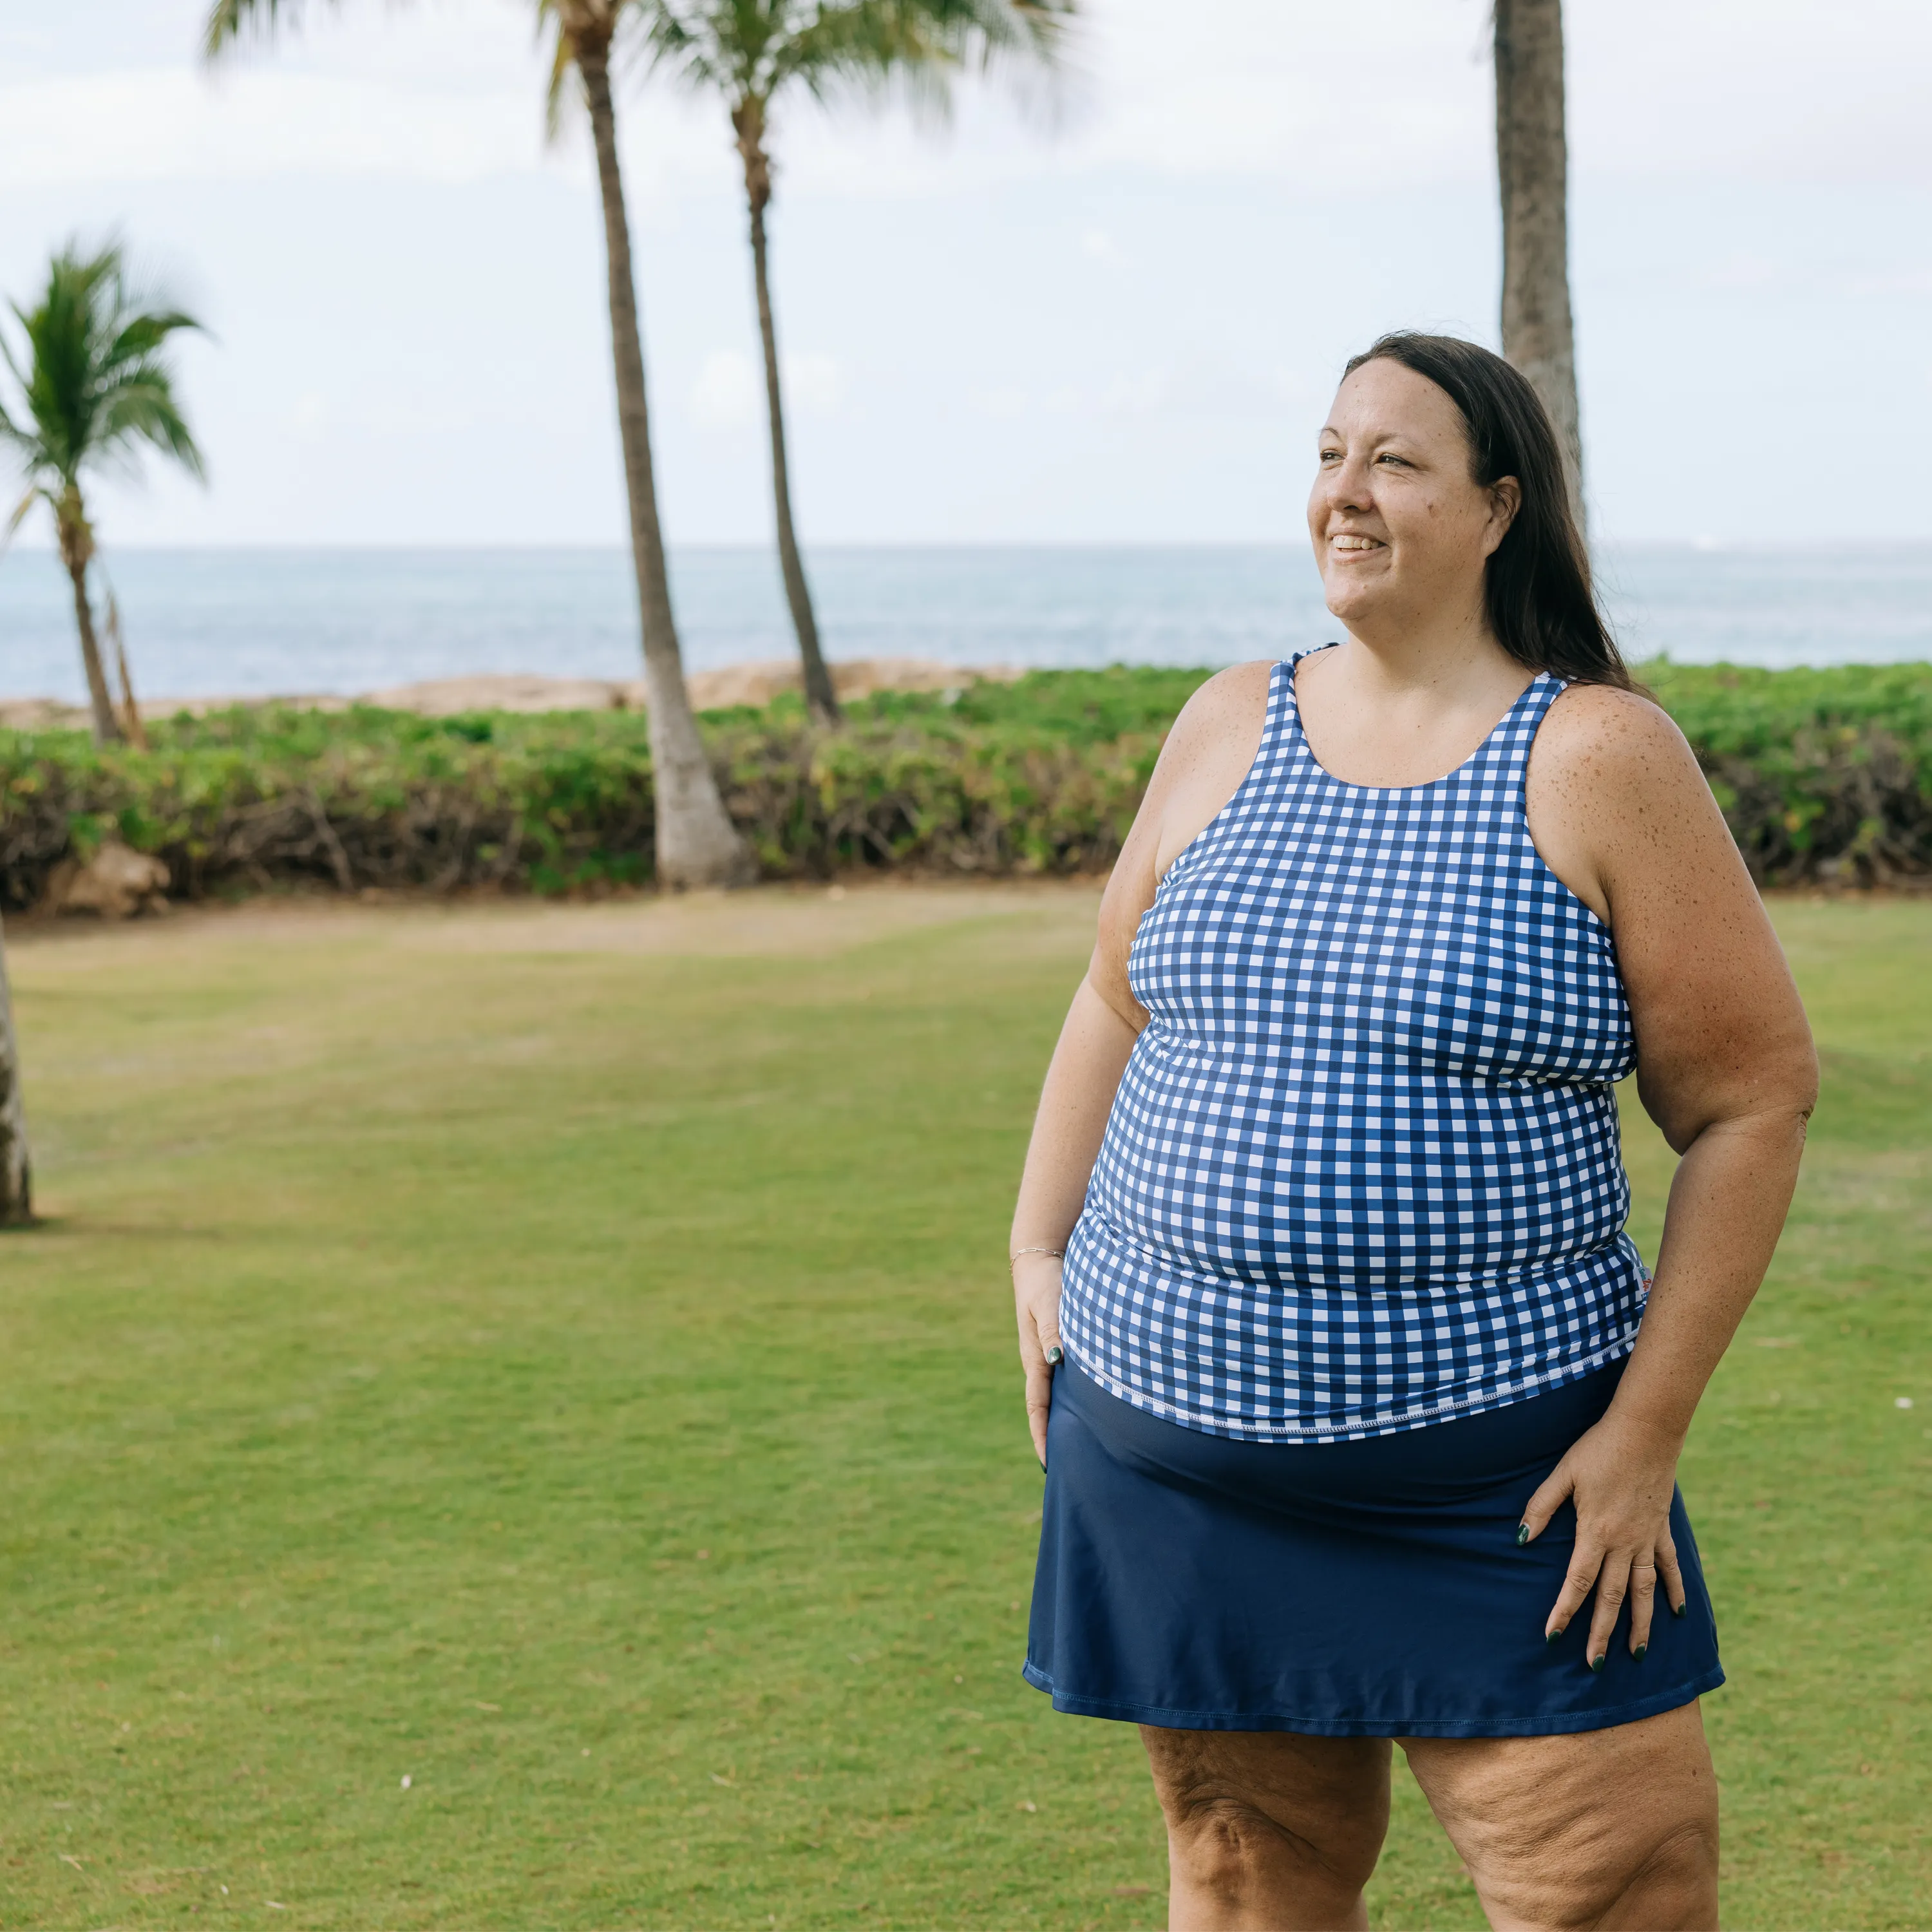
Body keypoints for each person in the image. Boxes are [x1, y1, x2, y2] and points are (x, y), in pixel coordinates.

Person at [1007, 331, 1817, 1931]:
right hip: (1178, 1455)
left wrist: (1645, 1432)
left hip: (1499, 1479)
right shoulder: (1229, 718)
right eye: (1327, 453)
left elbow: (1749, 1101)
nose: (1344, 493)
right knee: (1245, 1875)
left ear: (1500, 506)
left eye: (1394, 460)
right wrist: (1038, 1239)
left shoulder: (1595, 754)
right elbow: (1115, 993)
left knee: (1611, 1889)